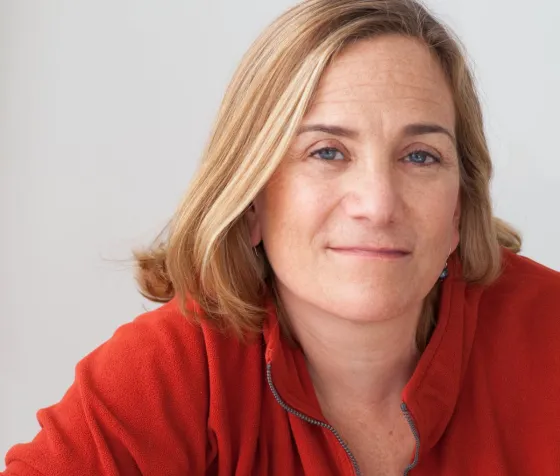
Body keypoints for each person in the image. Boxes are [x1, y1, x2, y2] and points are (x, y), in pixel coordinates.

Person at [3, 0, 560, 474]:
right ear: (249, 202)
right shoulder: (175, 369)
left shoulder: (547, 333)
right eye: (327, 152)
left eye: (420, 156)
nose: (378, 203)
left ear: (461, 206)